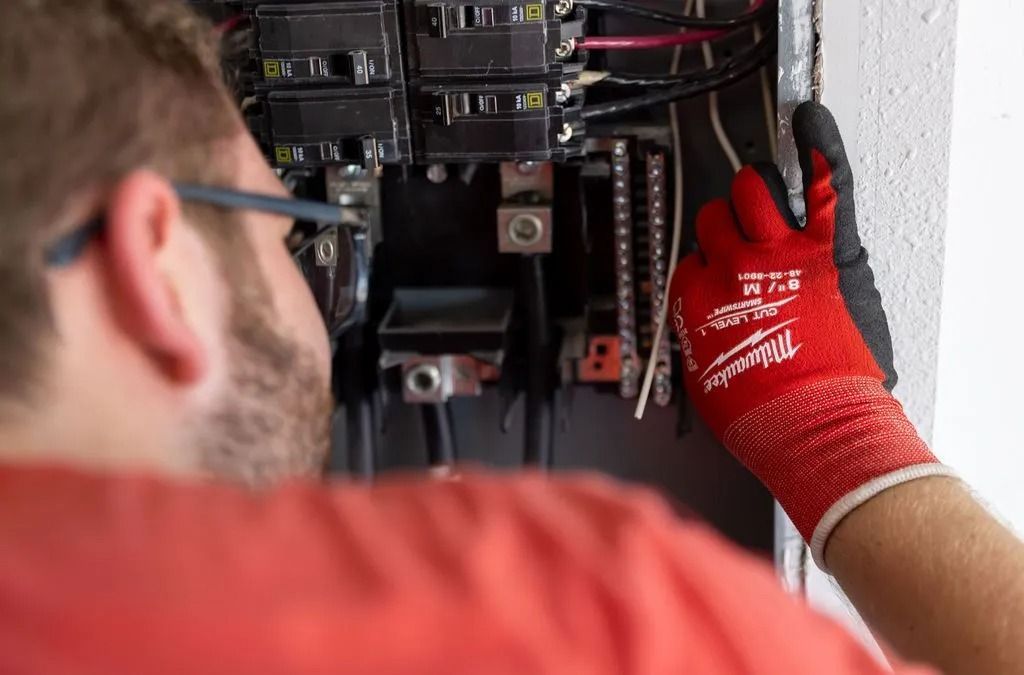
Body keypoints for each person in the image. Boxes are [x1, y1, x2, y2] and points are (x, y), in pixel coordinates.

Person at [0, 1, 1021, 674]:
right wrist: (830, 426)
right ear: (156, 261)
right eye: (287, 225)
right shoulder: (562, 622)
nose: (309, 271)